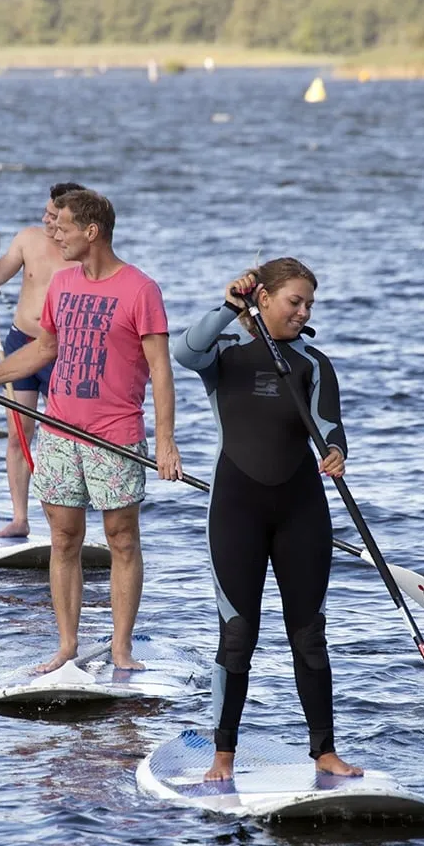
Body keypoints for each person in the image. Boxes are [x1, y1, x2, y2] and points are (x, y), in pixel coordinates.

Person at [0, 189, 182, 671]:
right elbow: (43, 350)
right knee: (64, 539)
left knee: (121, 539)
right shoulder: (63, 284)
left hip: (115, 436)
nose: (54, 233)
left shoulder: (141, 289)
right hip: (59, 432)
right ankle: (67, 646)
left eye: (64, 227)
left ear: (91, 232)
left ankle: (121, 648)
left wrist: (164, 441)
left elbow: (161, 370)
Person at [173, 258, 363, 782]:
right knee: (238, 633)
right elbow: (182, 350)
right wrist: (228, 306)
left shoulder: (313, 363)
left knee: (309, 634)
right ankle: (223, 757)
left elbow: (330, 424)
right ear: (263, 298)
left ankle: (324, 752)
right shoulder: (224, 354)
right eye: (293, 301)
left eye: (309, 305)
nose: (302, 312)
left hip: (302, 508)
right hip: (237, 506)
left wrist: (335, 450)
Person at [0, 182, 85, 537]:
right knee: (18, 435)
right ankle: (19, 518)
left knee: (64, 437)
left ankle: (68, 522)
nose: (46, 219)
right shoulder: (28, 239)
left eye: (54, 216)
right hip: (19, 343)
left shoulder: (81, 255)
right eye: (44, 212)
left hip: (61, 350)